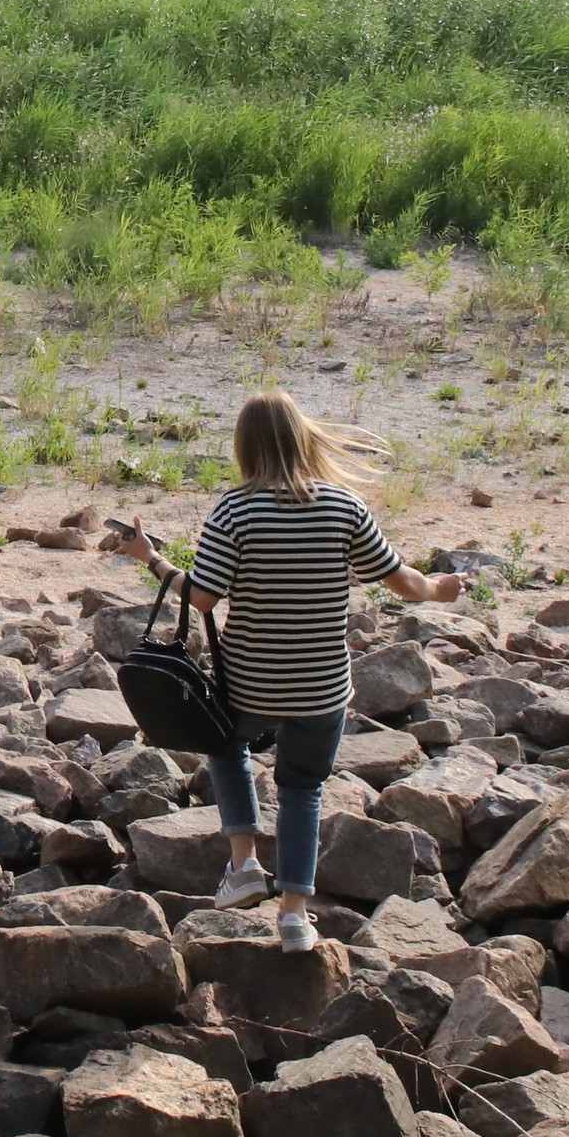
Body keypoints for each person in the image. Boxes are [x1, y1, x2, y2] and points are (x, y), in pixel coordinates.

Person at [117, 389, 459, 954]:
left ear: (243, 447)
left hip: (250, 680)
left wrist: (151, 559)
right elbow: (405, 582)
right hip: (322, 686)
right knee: (303, 789)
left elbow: (201, 599)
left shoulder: (235, 510)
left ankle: (245, 863)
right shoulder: (343, 507)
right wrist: (442, 590)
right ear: (302, 437)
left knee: (227, 747)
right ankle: (296, 917)